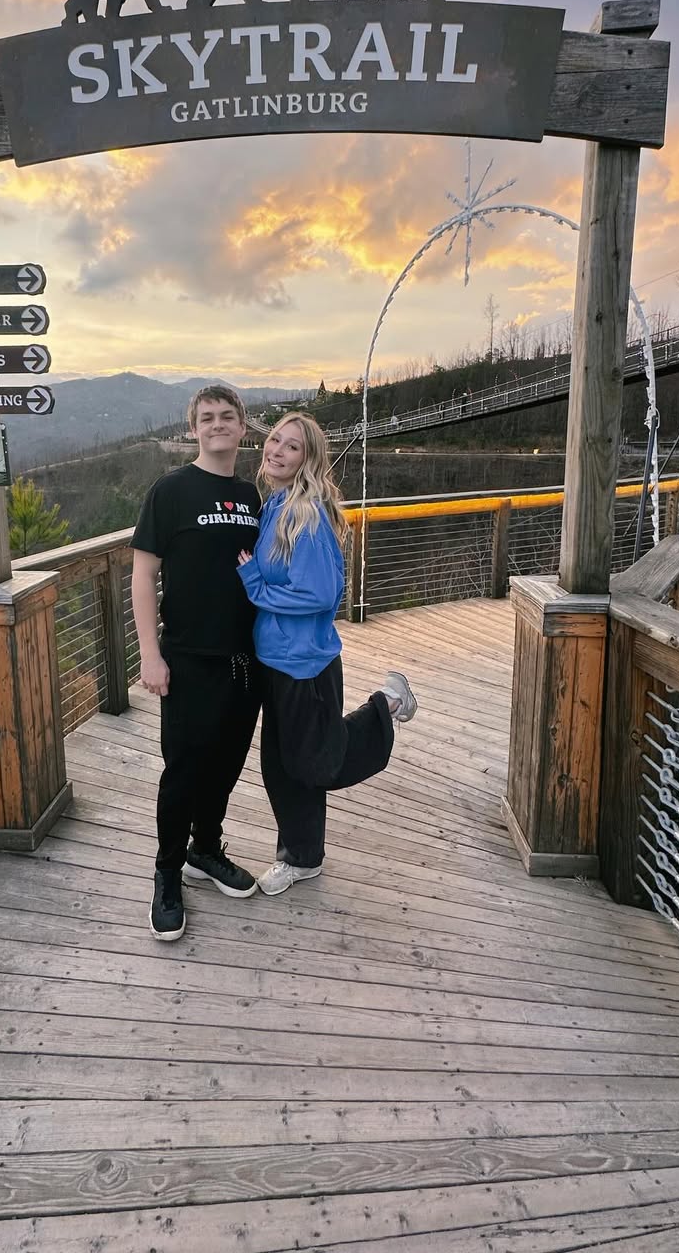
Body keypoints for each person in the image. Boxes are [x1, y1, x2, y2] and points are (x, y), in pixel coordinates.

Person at [236, 412, 417, 895]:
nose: (277, 450)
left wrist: (255, 584)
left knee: (315, 762)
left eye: (292, 446)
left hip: (306, 663)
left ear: (308, 459)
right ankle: (301, 858)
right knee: (282, 768)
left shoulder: (307, 515)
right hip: (276, 658)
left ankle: (387, 704)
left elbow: (319, 595)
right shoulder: (275, 505)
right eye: (275, 439)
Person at [131, 385, 262, 941]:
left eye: (227, 416)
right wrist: (150, 654)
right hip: (187, 658)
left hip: (246, 658)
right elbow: (143, 575)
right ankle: (166, 873)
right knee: (183, 770)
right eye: (206, 418)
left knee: (227, 764)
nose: (217, 424)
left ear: (242, 427)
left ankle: (204, 849)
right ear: (193, 429)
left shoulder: (252, 496)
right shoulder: (171, 491)